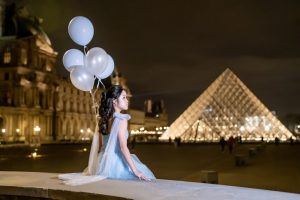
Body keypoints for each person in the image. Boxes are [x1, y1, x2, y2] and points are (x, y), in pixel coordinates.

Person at [58, 85, 155, 185]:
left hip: (101, 162)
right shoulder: (121, 120)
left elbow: (100, 147)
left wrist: (96, 166)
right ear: (114, 101)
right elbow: (123, 148)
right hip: (116, 164)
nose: (127, 100)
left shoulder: (103, 120)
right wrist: (135, 170)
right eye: (124, 97)